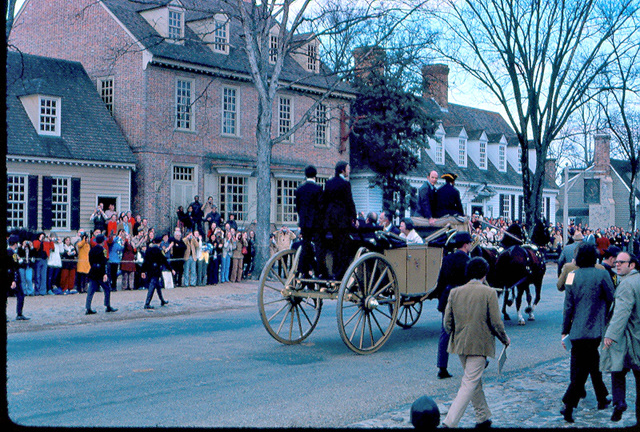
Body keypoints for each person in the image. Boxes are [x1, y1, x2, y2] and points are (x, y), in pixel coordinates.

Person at [441, 257, 510, 428]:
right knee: (469, 383)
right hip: (479, 344)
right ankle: (449, 423)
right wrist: (504, 339)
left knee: (473, 381)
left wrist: (456, 335)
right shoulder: (489, 292)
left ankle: (483, 416)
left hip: (460, 344)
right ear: (485, 273)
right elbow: (496, 322)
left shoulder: (455, 292)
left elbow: (447, 323)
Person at [560, 242, 614, 423]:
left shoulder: (571, 275)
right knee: (586, 368)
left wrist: (565, 330)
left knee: (586, 364)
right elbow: (611, 298)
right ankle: (569, 402)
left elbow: (567, 306)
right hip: (595, 328)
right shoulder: (602, 274)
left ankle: (602, 397)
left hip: (576, 329)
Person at [601, 251, 640, 424]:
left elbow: (621, 313)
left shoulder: (627, 284)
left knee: (617, 369)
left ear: (632, 265)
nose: (617, 265)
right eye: (616, 262)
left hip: (628, 337)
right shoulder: (636, 280)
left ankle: (619, 402)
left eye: (622, 262)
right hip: (635, 334)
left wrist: (610, 335)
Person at [429, 231, 473, 379]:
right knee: (466, 332)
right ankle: (473, 363)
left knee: (445, 332)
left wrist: (440, 298)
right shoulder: (468, 261)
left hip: (448, 296)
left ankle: (442, 367)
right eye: (470, 243)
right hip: (462, 297)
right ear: (466, 245)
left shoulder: (447, 259)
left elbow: (441, 281)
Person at [321, 161, 358, 280]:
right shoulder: (345, 184)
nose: (349, 171)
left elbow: (325, 201)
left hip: (331, 220)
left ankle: (332, 271)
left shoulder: (329, 183)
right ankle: (341, 274)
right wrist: (354, 217)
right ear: (342, 170)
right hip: (342, 220)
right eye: (348, 169)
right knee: (343, 247)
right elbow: (349, 202)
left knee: (335, 246)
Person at [295, 164, 324, 277]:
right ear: (315, 175)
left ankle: (303, 269)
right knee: (318, 246)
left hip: (304, 223)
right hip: (316, 223)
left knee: (306, 245)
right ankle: (318, 269)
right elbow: (321, 207)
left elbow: (297, 207)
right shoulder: (318, 189)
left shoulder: (300, 189)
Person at [85, 234, 118, 315]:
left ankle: (88, 307)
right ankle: (107, 305)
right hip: (101, 272)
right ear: (103, 241)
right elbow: (104, 262)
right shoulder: (103, 250)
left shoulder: (91, 250)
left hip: (93, 271)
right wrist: (105, 273)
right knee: (107, 289)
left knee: (91, 291)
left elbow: (90, 261)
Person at [141, 236, 174, 309]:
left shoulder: (149, 250)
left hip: (150, 270)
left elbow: (145, 261)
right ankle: (147, 303)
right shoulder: (158, 250)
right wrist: (171, 269)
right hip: (156, 271)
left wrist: (143, 271)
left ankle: (162, 300)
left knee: (158, 286)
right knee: (152, 286)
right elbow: (164, 261)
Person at [7, 235, 29, 320]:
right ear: (15, 244)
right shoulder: (13, 253)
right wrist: (14, 280)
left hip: (9, 276)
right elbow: (16, 266)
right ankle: (19, 314)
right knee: (20, 295)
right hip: (12, 277)